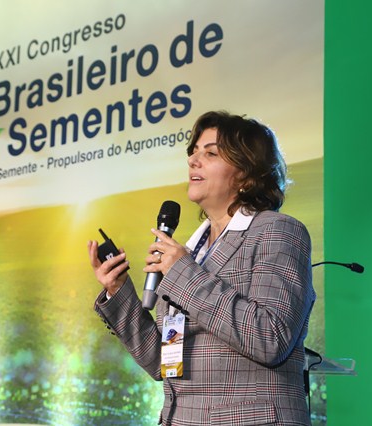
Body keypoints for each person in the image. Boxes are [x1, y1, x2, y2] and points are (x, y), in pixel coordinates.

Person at [87, 110, 315, 425]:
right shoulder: (192, 251)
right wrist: (118, 289)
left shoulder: (278, 231)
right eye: (194, 152)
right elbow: (163, 362)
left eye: (210, 153)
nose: (194, 160)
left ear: (247, 173)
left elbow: (269, 337)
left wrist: (182, 272)